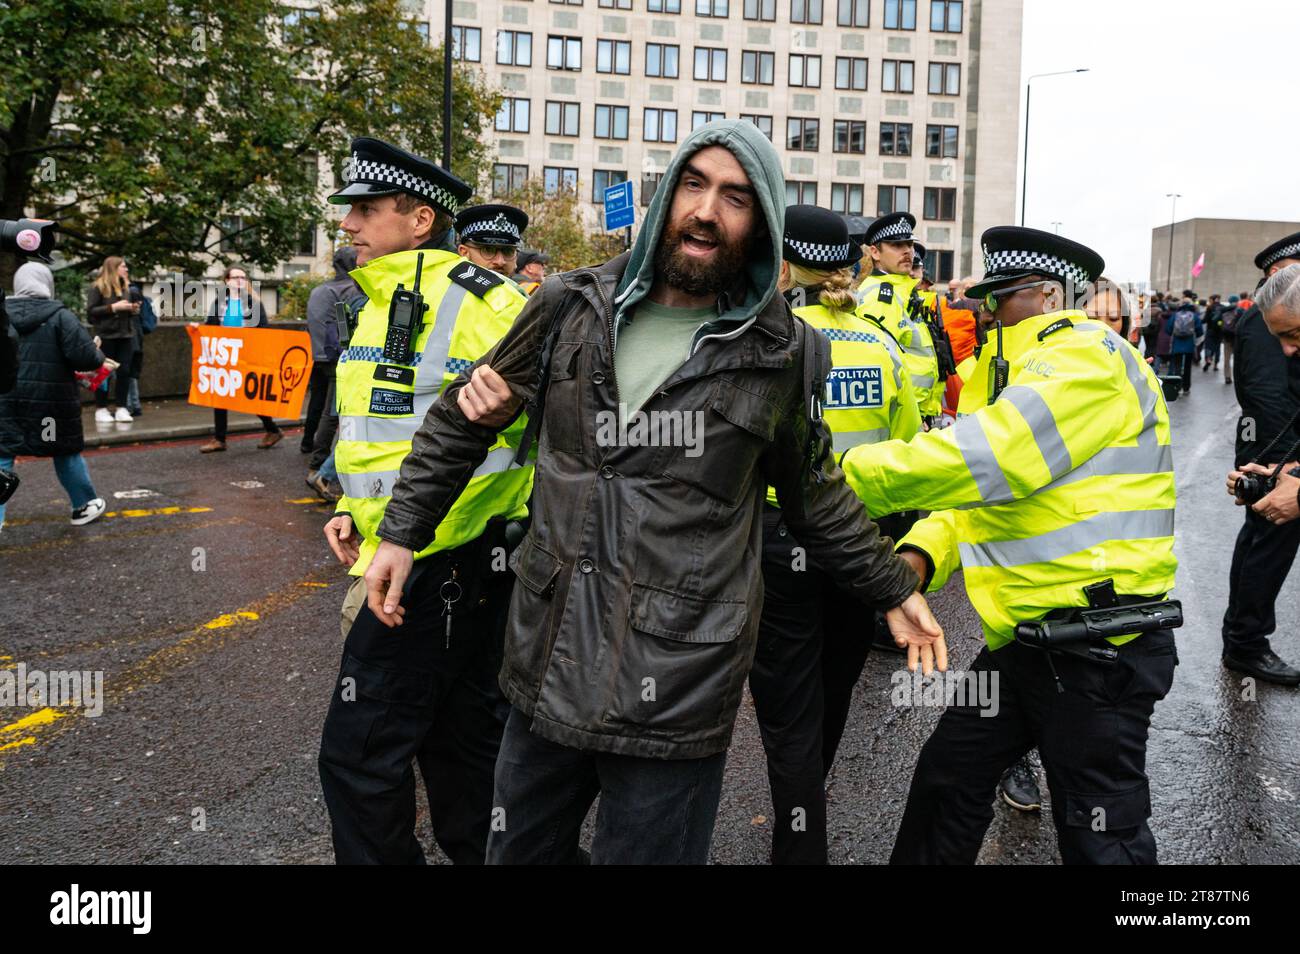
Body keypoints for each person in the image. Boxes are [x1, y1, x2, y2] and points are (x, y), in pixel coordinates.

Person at [363, 119, 944, 865]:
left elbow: (816, 495)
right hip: (549, 665)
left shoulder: (785, 353)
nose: (706, 210)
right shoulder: (569, 304)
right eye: (693, 185)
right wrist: (401, 532)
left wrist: (894, 589)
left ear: (760, 220)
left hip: (676, 687)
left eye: (734, 197)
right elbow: (461, 418)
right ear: (667, 194)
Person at [842, 227, 1179, 864]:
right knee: (949, 782)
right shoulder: (1010, 371)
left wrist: (833, 477)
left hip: (1096, 645)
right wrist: (917, 559)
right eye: (984, 298)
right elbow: (977, 497)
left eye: (1002, 297)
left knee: (1100, 832)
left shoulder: (1088, 357)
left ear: (1051, 296)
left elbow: (992, 459)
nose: (987, 311)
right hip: (1028, 642)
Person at [316, 136, 531, 865]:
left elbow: (534, 436)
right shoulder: (376, 303)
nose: (349, 225)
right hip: (420, 555)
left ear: (419, 222)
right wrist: (352, 506)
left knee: (358, 756)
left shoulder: (490, 305)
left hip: (440, 562)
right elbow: (386, 436)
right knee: (461, 754)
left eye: (366, 210)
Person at [749, 205, 921, 864]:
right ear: (849, 268)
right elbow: (905, 452)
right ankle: (804, 799)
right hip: (861, 539)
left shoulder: (767, 338)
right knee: (833, 685)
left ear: (785, 267)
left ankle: (798, 838)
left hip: (780, 537)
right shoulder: (881, 345)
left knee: (787, 705)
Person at [1221, 231, 1300, 687]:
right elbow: (1271, 398)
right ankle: (1246, 643)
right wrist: (1286, 468)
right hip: (1277, 447)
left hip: (1280, 451)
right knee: (1265, 546)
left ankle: (1244, 641)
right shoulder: (1272, 319)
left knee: (1261, 544)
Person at [0, 262, 109, 531]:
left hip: (6, 400)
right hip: (50, 405)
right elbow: (86, 358)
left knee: (2, 454)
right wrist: (96, 351)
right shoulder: (61, 316)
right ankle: (83, 505)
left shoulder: (1, 315)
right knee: (63, 450)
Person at [856, 213, 943, 425]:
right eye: (896, 245)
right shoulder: (880, 296)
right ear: (875, 252)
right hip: (904, 414)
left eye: (909, 244)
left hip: (917, 411)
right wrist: (913, 416)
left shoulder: (901, 290)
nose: (907, 251)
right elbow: (879, 364)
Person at [197, 265, 282, 452]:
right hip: (225, 356)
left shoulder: (254, 304)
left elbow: (264, 330)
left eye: (243, 277)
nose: (239, 281)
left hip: (247, 356)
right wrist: (198, 330)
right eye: (235, 277)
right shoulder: (219, 303)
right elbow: (211, 326)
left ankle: (273, 430)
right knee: (220, 396)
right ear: (227, 281)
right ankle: (220, 439)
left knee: (251, 396)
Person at [303, 245, 359, 496]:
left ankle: (309, 447)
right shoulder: (350, 290)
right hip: (338, 357)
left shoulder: (319, 290)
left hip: (318, 354)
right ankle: (318, 467)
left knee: (317, 405)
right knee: (333, 413)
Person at [85, 256, 141, 424]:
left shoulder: (126, 288)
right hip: (106, 336)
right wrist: (113, 308)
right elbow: (91, 311)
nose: (126, 269)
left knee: (124, 372)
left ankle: (121, 408)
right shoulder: (98, 287)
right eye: (123, 266)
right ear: (113, 268)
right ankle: (101, 408)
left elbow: (130, 312)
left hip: (125, 335)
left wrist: (133, 309)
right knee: (103, 374)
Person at [455, 204, 528, 283]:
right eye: (488, 250)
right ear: (464, 253)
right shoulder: (449, 291)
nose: (500, 262)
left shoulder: (522, 293)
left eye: (508, 251)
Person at [1164, 292, 1203, 394]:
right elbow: (1200, 330)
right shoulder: (1194, 315)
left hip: (1177, 343)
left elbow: (1168, 329)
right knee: (1187, 367)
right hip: (1189, 344)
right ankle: (1186, 387)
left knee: (1177, 366)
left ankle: (1177, 387)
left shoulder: (1175, 315)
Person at [1220, 294, 1242, 384]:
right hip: (1237, 338)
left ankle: (1227, 376)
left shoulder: (1224, 311)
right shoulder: (1240, 311)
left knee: (1227, 359)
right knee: (1238, 359)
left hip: (1226, 337)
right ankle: (1238, 377)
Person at [1202, 293, 1224, 373]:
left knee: (1208, 346)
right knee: (1217, 348)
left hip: (1210, 330)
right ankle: (1215, 365)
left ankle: (1208, 358)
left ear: (1212, 299)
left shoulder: (1210, 307)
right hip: (1219, 331)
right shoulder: (1223, 307)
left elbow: (1205, 319)